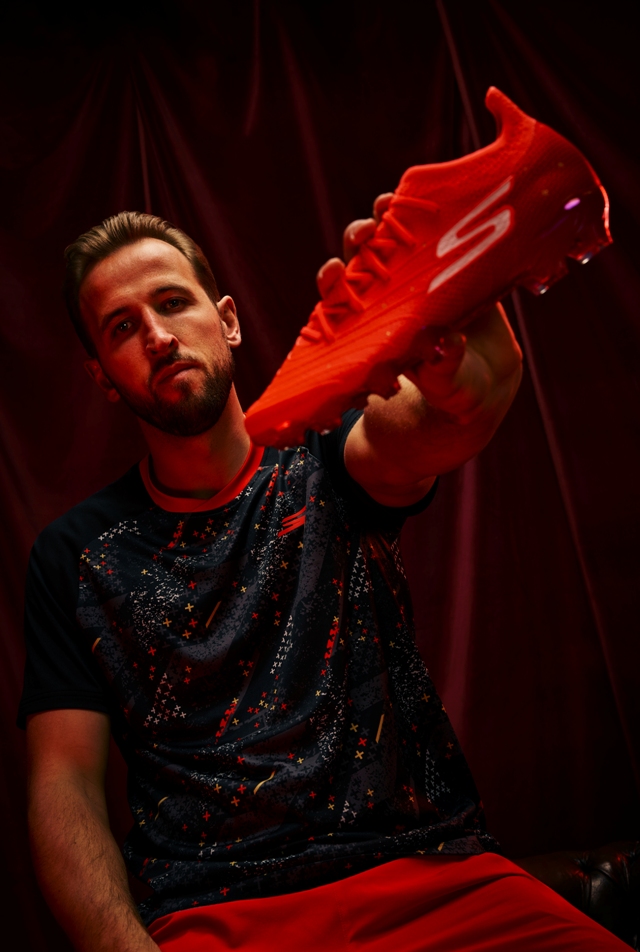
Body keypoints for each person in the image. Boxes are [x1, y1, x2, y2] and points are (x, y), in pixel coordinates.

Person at [19, 209, 625, 952]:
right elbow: (65, 783)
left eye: (172, 302)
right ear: (102, 376)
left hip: (428, 875)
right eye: (121, 327)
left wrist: (456, 363)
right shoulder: (76, 556)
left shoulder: (325, 463)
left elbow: (431, 425)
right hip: (216, 914)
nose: (157, 336)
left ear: (227, 320)